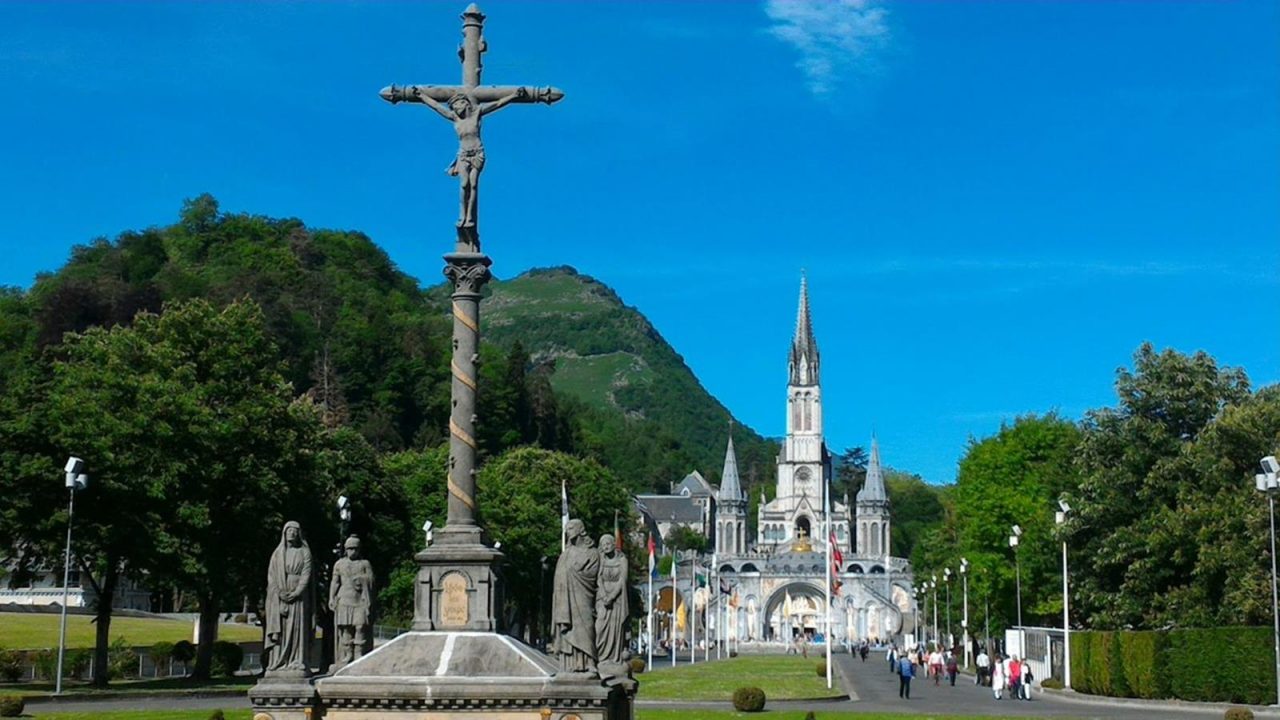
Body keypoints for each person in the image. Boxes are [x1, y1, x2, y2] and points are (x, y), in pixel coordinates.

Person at [408, 86, 531, 229]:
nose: (455, 109)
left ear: (465, 103)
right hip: (463, 154)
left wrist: (514, 95)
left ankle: (469, 217)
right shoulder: (454, 118)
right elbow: (436, 106)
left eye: (456, 105)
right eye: (452, 107)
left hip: (477, 153)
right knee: (464, 184)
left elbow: (497, 104)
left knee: (472, 185)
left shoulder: (477, 113)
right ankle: (462, 215)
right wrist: (422, 96)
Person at [264, 521, 315, 675]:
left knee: (297, 629)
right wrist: (279, 592)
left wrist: (297, 592)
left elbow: (307, 574)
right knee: (281, 628)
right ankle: (278, 661)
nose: (292, 533)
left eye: (295, 531)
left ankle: (297, 660)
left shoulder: (304, 552)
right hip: (279, 595)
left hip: (298, 597)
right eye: (289, 531)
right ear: (284, 534)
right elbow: (271, 576)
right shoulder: (277, 554)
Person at [552, 518, 600, 673]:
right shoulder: (565, 555)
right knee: (570, 630)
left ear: (581, 530)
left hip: (583, 596)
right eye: (567, 528)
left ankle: (589, 661)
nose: (568, 531)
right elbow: (558, 580)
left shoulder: (592, 553)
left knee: (586, 626)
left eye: (571, 528)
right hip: (565, 600)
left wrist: (577, 573)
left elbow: (593, 575)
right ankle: (570, 664)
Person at [329, 535, 375, 670]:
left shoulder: (364, 564)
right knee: (346, 629)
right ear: (345, 549)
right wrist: (331, 598)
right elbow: (335, 582)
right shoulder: (339, 564)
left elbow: (371, 580)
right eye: (350, 549)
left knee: (360, 626)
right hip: (344, 598)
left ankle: (359, 653)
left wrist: (362, 579)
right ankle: (347, 654)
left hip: (359, 600)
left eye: (355, 549)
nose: (352, 552)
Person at [595, 534, 630, 670]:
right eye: (603, 545)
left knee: (616, 628)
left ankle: (614, 659)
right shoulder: (601, 560)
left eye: (608, 544)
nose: (606, 547)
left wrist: (612, 596)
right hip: (602, 598)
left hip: (618, 598)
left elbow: (623, 580)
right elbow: (598, 578)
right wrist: (604, 595)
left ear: (613, 544)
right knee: (600, 627)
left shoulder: (622, 560)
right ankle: (600, 657)